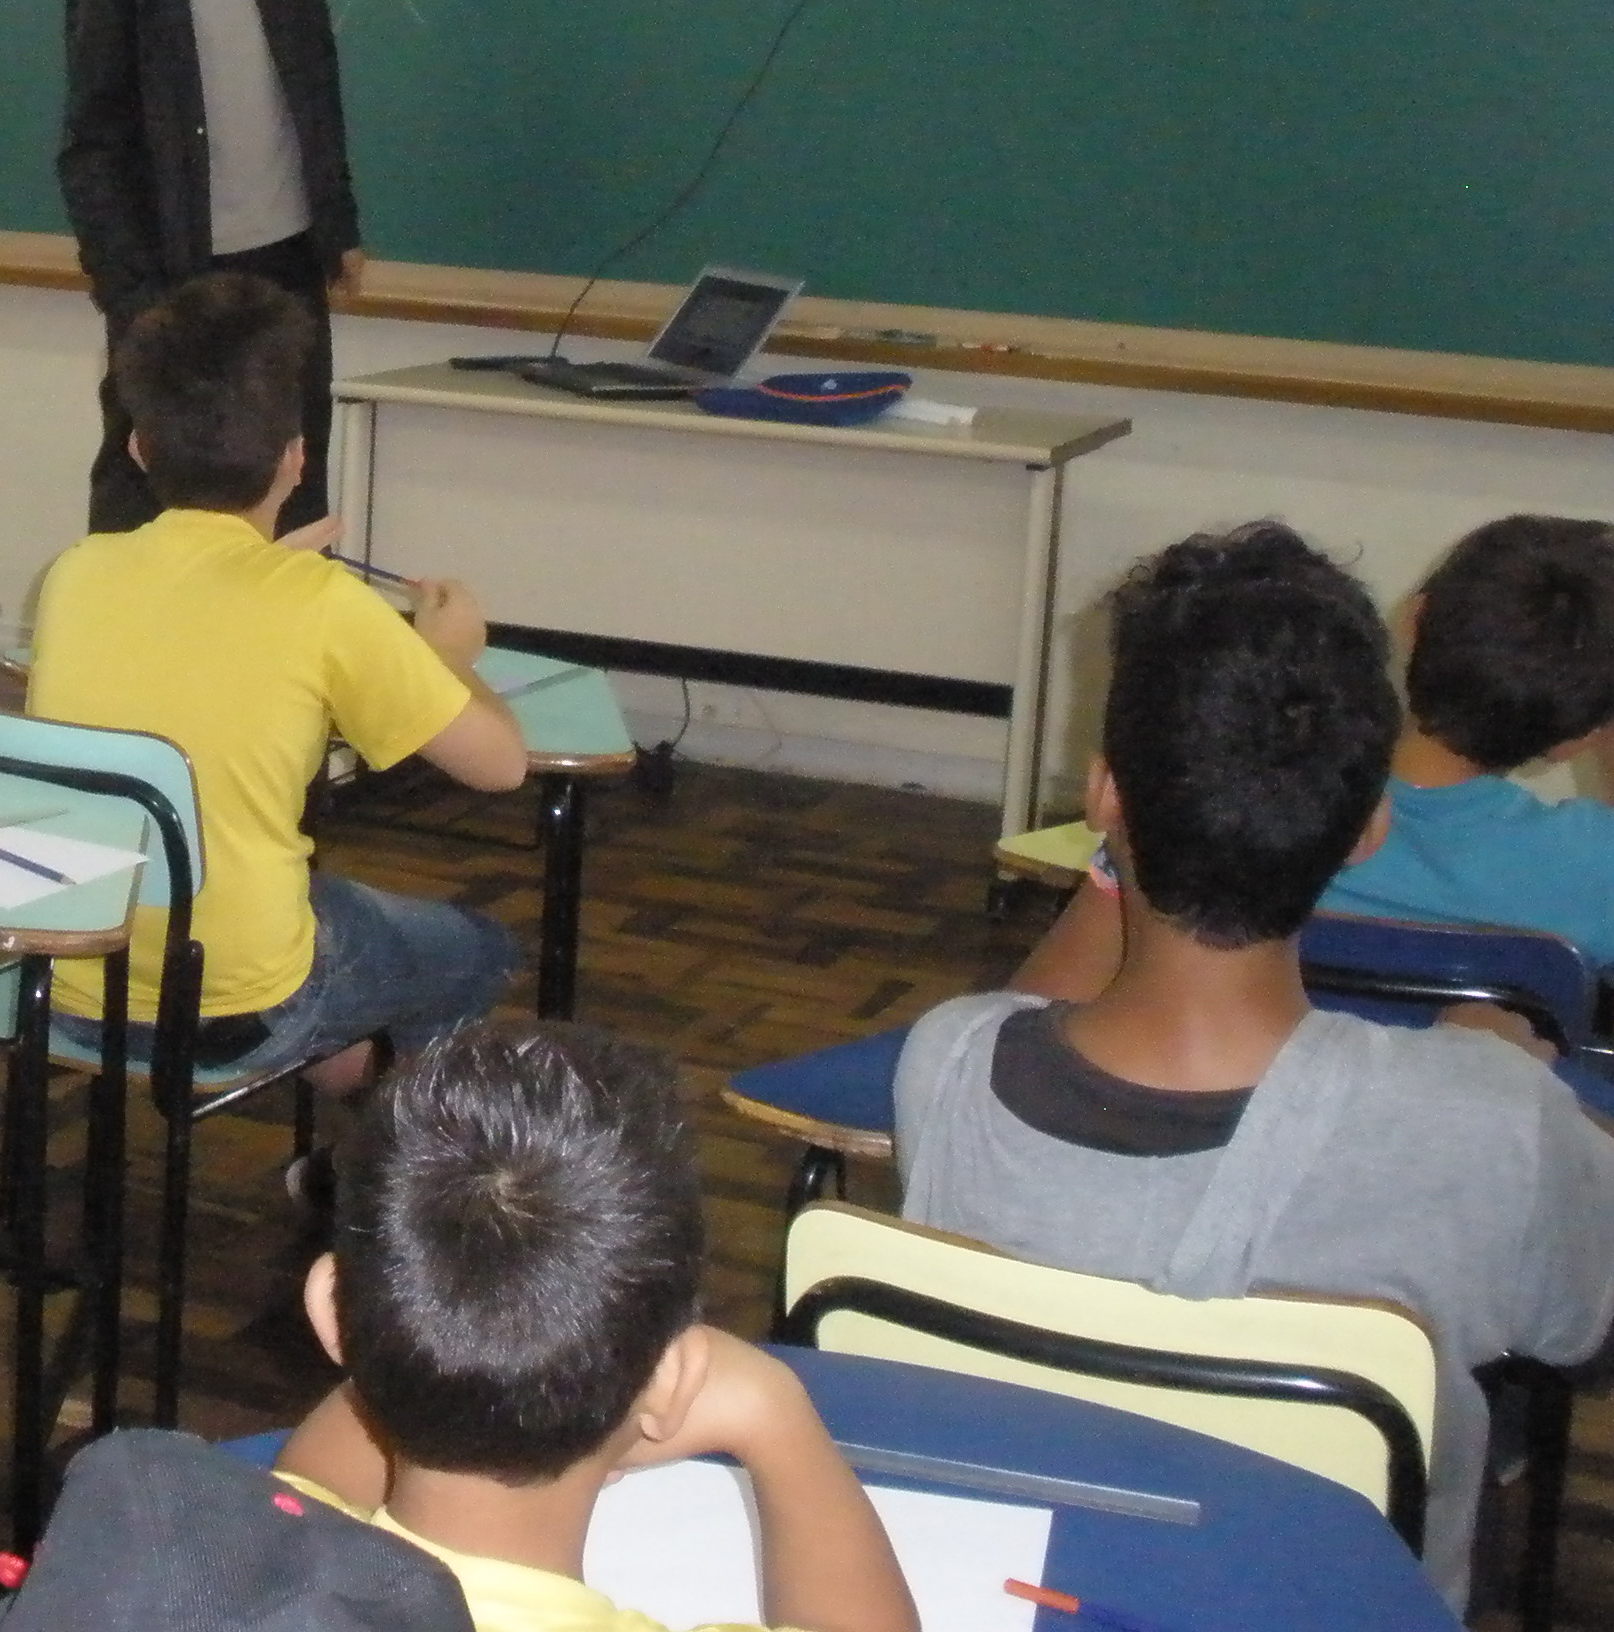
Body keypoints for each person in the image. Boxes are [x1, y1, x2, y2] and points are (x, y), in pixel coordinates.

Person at [896, 521, 1614, 1612]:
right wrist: (1488, 1072)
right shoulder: (1494, 1118)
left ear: (1104, 799)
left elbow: (1030, 1010)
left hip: (1029, 1588)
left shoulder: (946, 1061)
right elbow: (1577, 1323)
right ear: (1365, 825)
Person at [30, 272, 527, 1088]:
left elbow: (193, 631)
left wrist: (264, 569)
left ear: (138, 447)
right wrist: (446, 654)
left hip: (77, 979)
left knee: (335, 938)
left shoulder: (79, 571)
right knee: (477, 950)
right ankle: (371, 1173)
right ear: (296, 460)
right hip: (235, 1008)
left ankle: (343, 1122)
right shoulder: (323, 602)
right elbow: (500, 766)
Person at [266, 1020, 916, 1632]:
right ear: (669, 1383)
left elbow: (305, 1494)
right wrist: (776, 1415)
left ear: (329, 1311)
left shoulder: (217, 1555)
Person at [1011, 512, 1614, 1000]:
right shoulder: (1593, 865)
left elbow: (1032, 1012)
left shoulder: (1250, 807)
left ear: (1412, 619)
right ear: (1584, 733)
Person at [60, 0, 363, 536]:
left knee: (295, 474)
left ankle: (286, 655)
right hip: (174, 270)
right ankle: (124, 651)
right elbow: (93, 140)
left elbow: (313, 78)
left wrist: (338, 223)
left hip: (287, 257)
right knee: (149, 483)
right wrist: (132, 295)